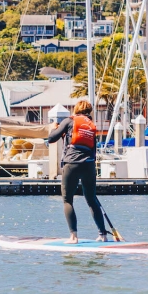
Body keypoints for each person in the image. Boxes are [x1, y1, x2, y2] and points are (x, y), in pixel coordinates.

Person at [48, 99, 107, 244]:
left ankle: (73, 237)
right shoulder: (91, 125)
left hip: (72, 164)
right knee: (92, 200)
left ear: (76, 110)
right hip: (89, 165)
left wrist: (54, 128)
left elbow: (51, 138)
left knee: (68, 199)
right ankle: (103, 235)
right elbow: (93, 149)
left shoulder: (69, 121)